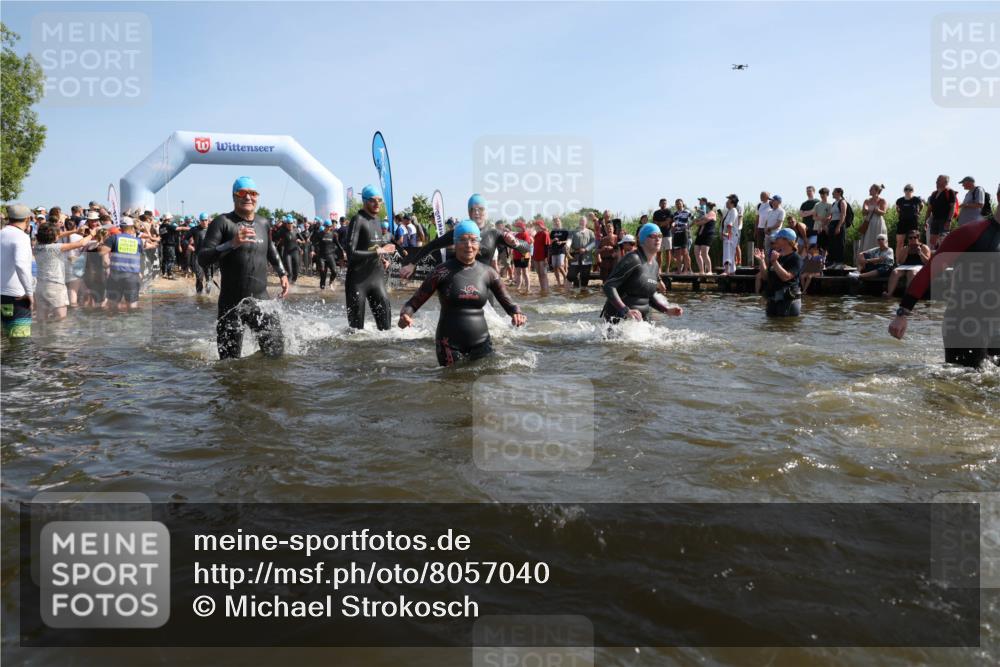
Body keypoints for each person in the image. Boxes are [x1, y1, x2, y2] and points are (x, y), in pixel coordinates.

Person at [889, 183, 999, 367]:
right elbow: (929, 271)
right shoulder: (970, 233)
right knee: (963, 387)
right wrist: (902, 313)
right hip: (965, 324)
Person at [398, 220, 526, 366]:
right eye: (463, 240)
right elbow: (414, 302)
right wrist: (405, 315)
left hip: (482, 343)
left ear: (479, 244)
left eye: (473, 240)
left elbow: (507, 301)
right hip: (448, 345)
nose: (469, 245)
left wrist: (516, 312)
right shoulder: (441, 272)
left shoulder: (488, 273)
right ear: (454, 243)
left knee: (485, 384)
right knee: (452, 385)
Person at [198, 176, 289, 359]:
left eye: (252, 193)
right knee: (229, 364)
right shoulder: (222, 222)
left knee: (277, 356)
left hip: (261, 302)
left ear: (257, 197)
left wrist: (282, 273)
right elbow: (203, 258)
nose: (248, 197)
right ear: (234, 196)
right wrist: (232, 243)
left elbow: (271, 248)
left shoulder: (263, 223)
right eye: (242, 193)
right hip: (231, 305)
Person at [601, 223, 683, 323]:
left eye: (660, 236)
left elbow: (649, 296)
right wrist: (625, 310)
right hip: (619, 319)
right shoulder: (633, 259)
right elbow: (608, 286)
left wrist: (666, 310)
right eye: (653, 236)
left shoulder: (655, 265)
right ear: (642, 240)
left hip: (640, 322)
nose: (657, 239)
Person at [344, 184, 396, 330]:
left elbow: (375, 247)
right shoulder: (358, 219)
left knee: (387, 331)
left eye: (379, 200)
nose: (377, 203)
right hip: (357, 281)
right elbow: (351, 252)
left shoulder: (377, 221)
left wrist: (383, 259)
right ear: (365, 201)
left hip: (376, 278)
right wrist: (378, 252)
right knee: (356, 333)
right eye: (373, 200)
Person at [33, 223, 92, 321]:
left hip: (39, 286)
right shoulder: (56, 248)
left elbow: (56, 235)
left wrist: (75, 231)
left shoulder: (37, 247)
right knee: (61, 318)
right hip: (55, 286)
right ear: (54, 236)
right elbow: (81, 243)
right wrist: (92, 234)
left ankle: (42, 335)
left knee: (41, 319)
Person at [1, 204, 35, 338]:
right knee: (20, 340)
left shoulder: (1, 233)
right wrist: (29, 292)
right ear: (27, 219)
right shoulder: (21, 237)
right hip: (17, 296)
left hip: (2, 295)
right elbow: (20, 264)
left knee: (6, 334)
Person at [98, 217, 146, 311]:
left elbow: (101, 252)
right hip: (132, 276)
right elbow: (141, 258)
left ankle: (115, 324)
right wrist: (140, 272)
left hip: (116, 276)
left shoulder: (114, 238)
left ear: (120, 227)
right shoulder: (138, 241)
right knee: (132, 307)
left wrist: (101, 243)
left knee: (113, 305)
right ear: (132, 227)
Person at [754, 228, 802, 317]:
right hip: (773, 299)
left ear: (786, 240)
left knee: (784, 327)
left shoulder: (796, 258)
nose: (775, 240)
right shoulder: (777, 256)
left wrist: (775, 262)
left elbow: (786, 277)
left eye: (777, 238)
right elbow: (765, 277)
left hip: (788, 301)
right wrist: (761, 261)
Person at [884, 230, 930, 297]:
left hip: (918, 266)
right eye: (910, 238)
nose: (912, 239)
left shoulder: (924, 247)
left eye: (914, 237)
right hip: (905, 266)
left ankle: (908, 294)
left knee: (911, 272)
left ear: (918, 238)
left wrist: (920, 253)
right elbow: (900, 262)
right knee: (895, 272)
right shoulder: (905, 248)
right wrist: (906, 252)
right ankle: (889, 293)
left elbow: (927, 262)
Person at [924, 175, 957, 250]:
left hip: (944, 220)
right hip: (934, 220)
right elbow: (929, 209)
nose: (936, 182)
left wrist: (949, 220)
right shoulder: (934, 194)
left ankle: (945, 260)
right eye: (937, 180)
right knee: (932, 243)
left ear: (945, 182)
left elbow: (953, 207)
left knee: (943, 241)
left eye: (939, 180)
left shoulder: (950, 192)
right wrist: (926, 221)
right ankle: (933, 260)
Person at [567, 215, 596, 291]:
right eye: (581, 220)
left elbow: (593, 243)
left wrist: (586, 249)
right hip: (575, 257)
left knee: (585, 278)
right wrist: (567, 245)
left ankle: (583, 295)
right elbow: (569, 240)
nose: (582, 222)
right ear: (579, 221)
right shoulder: (573, 232)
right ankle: (575, 288)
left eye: (584, 221)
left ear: (586, 222)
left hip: (586, 258)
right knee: (571, 276)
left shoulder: (590, 232)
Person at [82, 227, 109, 308]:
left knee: (94, 298)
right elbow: (105, 262)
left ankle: (92, 318)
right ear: (106, 237)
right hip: (100, 275)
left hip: (89, 274)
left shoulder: (89, 245)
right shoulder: (103, 247)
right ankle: (100, 318)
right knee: (102, 301)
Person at [894, 184, 924, 258]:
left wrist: (918, 213)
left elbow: (922, 205)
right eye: (906, 189)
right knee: (900, 243)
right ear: (904, 190)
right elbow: (897, 208)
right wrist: (900, 214)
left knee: (914, 242)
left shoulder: (916, 199)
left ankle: (915, 259)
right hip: (902, 222)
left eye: (910, 189)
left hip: (913, 222)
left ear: (913, 191)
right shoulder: (899, 200)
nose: (908, 191)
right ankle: (898, 261)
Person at [315, 221, 344, 290]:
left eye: (329, 227)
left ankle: (330, 282)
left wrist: (343, 251)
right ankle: (322, 288)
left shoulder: (333, 234)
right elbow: (314, 243)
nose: (328, 228)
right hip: (322, 256)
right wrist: (314, 250)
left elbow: (337, 244)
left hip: (330, 255)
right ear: (324, 226)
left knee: (334, 271)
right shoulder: (319, 234)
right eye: (327, 227)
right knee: (323, 272)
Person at [860, 184, 888, 252]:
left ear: (876, 191)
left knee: (878, 239)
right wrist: (865, 210)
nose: (869, 190)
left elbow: (883, 212)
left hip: (878, 222)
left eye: (871, 189)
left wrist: (876, 210)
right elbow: (864, 212)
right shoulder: (867, 200)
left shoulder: (882, 200)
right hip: (868, 222)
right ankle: (867, 257)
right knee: (868, 239)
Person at [691, 201, 717, 274]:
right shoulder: (706, 214)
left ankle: (709, 271)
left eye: (704, 206)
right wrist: (696, 219)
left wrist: (697, 221)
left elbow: (701, 222)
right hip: (700, 234)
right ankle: (701, 271)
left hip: (708, 235)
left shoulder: (712, 213)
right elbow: (698, 220)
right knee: (696, 252)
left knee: (704, 253)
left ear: (708, 207)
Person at [189, 213, 212, 294]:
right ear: (200, 221)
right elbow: (184, 239)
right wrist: (189, 245)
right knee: (199, 278)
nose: (204, 222)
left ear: (208, 220)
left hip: (208, 257)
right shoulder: (194, 229)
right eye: (203, 220)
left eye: (206, 220)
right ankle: (199, 296)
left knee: (209, 278)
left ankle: (208, 296)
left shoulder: (212, 229)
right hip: (198, 256)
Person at [827, 188, 849, 268]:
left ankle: (840, 262)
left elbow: (843, 215)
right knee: (832, 244)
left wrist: (838, 227)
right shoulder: (834, 203)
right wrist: (826, 225)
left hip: (839, 223)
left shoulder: (842, 202)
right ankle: (833, 262)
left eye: (834, 192)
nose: (832, 193)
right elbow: (831, 216)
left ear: (839, 193)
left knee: (839, 244)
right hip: (832, 224)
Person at [671, 199, 693, 273]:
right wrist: (673, 226)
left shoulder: (687, 212)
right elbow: (674, 222)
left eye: (679, 204)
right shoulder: (675, 214)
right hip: (676, 234)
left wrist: (688, 226)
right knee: (677, 254)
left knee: (685, 252)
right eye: (677, 204)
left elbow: (694, 220)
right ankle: (679, 270)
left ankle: (688, 270)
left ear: (682, 204)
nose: (678, 205)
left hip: (684, 233)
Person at [652, 198, 674, 271]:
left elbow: (668, 221)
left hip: (667, 233)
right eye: (662, 203)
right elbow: (654, 223)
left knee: (668, 251)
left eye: (665, 203)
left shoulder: (669, 211)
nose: (663, 204)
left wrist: (660, 223)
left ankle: (667, 268)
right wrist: (662, 223)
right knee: (659, 252)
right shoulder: (656, 213)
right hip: (658, 234)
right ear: (659, 204)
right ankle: (659, 268)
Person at [721, 196, 741, 275]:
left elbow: (730, 224)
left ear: (732, 203)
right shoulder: (730, 211)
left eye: (728, 201)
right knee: (730, 253)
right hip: (730, 235)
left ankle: (727, 271)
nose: (726, 202)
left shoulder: (733, 210)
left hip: (730, 236)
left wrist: (728, 234)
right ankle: (732, 271)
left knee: (727, 252)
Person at [531, 217, 550, 294]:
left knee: (543, 274)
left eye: (536, 225)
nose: (535, 227)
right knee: (539, 273)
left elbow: (547, 247)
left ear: (540, 226)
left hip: (542, 257)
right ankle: (542, 289)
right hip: (536, 257)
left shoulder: (545, 233)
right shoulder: (536, 234)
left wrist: (546, 258)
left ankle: (546, 290)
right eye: (535, 225)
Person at [548, 217, 569, 287]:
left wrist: (561, 242)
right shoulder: (553, 232)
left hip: (561, 250)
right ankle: (559, 282)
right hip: (554, 250)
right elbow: (549, 242)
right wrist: (553, 240)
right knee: (554, 266)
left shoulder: (565, 231)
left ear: (560, 222)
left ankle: (566, 278)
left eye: (558, 221)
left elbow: (568, 241)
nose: (557, 223)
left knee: (560, 265)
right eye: (555, 222)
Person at [813, 187, 833, 254]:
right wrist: (821, 218)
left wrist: (823, 224)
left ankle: (825, 261)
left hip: (826, 228)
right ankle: (819, 261)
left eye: (823, 194)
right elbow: (814, 217)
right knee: (818, 245)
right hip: (818, 228)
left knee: (826, 245)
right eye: (821, 194)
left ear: (827, 194)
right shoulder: (817, 205)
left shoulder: (830, 204)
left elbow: (830, 216)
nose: (821, 196)